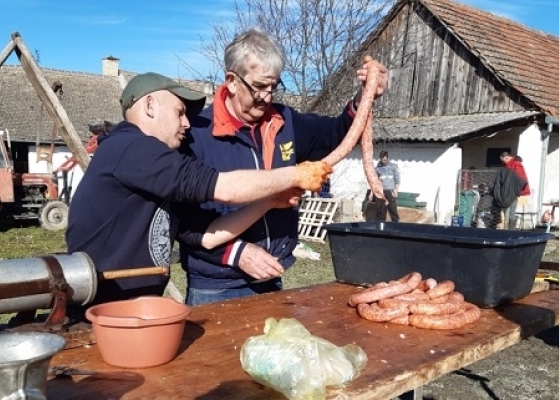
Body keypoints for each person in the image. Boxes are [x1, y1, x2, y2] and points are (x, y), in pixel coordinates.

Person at [65, 72, 331, 307]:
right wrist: (296, 174)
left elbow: (208, 237)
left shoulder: (148, 166)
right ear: (149, 105)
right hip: (101, 310)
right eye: (179, 112)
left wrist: (270, 201)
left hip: (137, 309)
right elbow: (224, 187)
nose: (187, 124)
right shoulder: (131, 147)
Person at [179, 27, 389, 306]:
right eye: (259, 87)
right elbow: (182, 221)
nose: (267, 97)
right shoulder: (196, 135)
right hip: (218, 286)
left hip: (272, 277)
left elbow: (335, 134)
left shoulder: (285, 120)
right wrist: (235, 252)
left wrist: (365, 97)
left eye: (274, 87)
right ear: (231, 81)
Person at [499, 151, 530, 229]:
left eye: (503, 160)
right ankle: (508, 228)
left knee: (511, 211)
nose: (503, 162)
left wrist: (514, 189)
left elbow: (520, 178)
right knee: (508, 210)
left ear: (507, 157)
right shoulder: (509, 164)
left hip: (512, 192)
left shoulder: (516, 164)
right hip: (509, 191)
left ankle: (510, 229)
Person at [370, 151, 400, 222]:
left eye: (385, 160)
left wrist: (396, 189)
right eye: (382, 160)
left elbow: (397, 179)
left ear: (388, 158)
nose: (384, 161)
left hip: (390, 191)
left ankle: (395, 226)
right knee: (380, 211)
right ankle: (380, 227)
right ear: (380, 159)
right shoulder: (377, 169)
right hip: (380, 192)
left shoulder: (393, 167)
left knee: (393, 210)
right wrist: (372, 193)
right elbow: (374, 182)